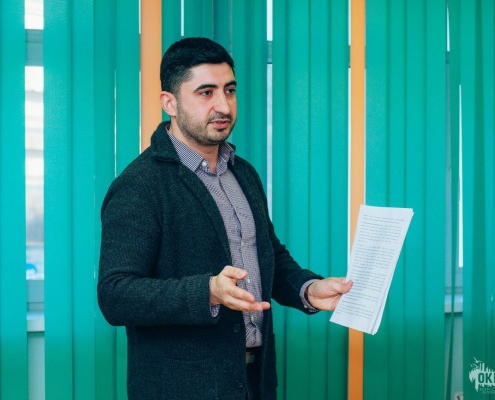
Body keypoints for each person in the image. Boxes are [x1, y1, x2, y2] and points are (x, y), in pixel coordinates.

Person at [98, 37, 352, 400]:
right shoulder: (140, 185)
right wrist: (208, 292)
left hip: (253, 380)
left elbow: (267, 256)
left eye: (229, 91)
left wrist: (308, 290)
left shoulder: (243, 173)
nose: (223, 105)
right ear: (169, 103)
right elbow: (115, 294)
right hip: (181, 390)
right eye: (206, 93)